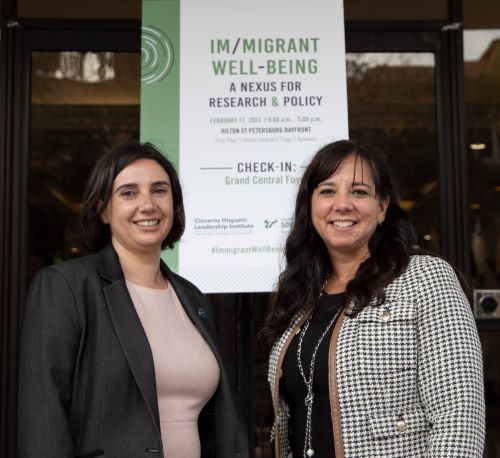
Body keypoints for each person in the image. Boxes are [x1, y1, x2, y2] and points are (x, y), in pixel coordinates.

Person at [18, 141, 248, 458]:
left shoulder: (192, 297)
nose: (148, 204)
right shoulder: (66, 287)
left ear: (174, 205)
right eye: (128, 193)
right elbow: (43, 416)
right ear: (103, 209)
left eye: (159, 190)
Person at [262, 140, 485, 457]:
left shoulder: (425, 278)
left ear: (382, 207)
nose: (342, 204)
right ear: (310, 207)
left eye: (359, 192)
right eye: (327, 191)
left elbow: (459, 418)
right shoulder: (300, 295)